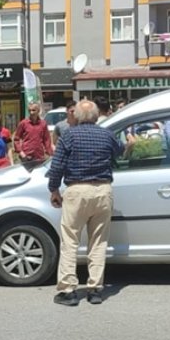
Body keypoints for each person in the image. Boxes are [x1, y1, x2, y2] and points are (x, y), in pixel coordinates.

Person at [46, 99, 128, 307]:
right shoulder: (107, 134)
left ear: (77, 116)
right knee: (98, 242)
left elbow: (57, 166)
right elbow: (120, 151)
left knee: (70, 241)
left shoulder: (69, 135)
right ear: (96, 116)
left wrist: (54, 190)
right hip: (102, 190)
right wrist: (130, 143)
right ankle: (95, 289)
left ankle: (68, 291)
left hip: (76, 190)